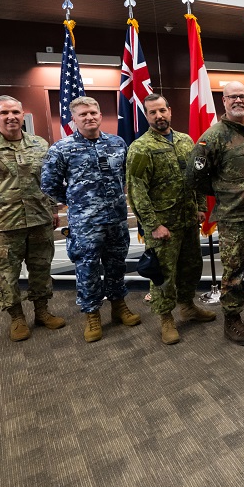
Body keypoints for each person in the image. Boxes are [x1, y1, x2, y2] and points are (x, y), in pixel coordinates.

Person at [0, 95, 64, 341]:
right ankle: (17, 318)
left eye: (15, 112)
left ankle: (42, 311)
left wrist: (52, 209)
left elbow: (48, 182)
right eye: (5, 113)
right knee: (6, 275)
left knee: (41, 269)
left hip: (39, 221)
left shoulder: (39, 144)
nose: (11, 117)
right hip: (4, 226)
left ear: (22, 114)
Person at [41, 96, 142, 342]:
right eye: (83, 114)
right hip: (85, 224)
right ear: (74, 119)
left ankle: (119, 307)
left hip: (117, 220)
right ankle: (92, 314)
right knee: (87, 269)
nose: (89, 118)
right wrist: (77, 200)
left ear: (100, 115)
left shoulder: (117, 143)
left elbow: (126, 176)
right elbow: (49, 185)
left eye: (93, 113)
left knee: (117, 265)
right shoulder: (61, 148)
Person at [188, 82, 244, 346]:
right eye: (232, 97)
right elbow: (195, 176)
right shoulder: (213, 136)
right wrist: (225, 193)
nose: (238, 100)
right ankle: (232, 319)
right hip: (234, 217)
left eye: (242, 96)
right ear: (223, 101)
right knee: (235, 272)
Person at [126, 94, 216, 345]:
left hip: (188, 220)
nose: (159, 116)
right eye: (153, 113)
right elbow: (137, 190)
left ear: (170, 111)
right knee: (163, 274)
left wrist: (199, 206)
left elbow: (195, 177)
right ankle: (166, 319)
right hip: (163, 225)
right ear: (147, 116)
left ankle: (187, 306)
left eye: (162, 111)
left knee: (190, 267)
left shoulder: (186, 141)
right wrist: (153, 225)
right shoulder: (141, 148)